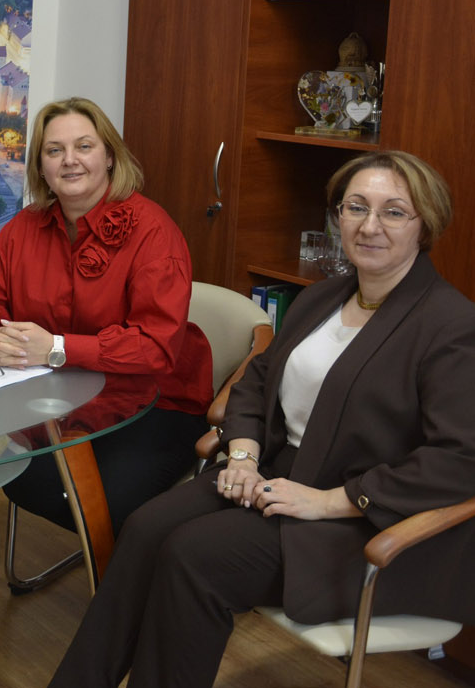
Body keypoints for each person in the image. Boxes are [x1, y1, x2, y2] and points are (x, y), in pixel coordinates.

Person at [48, 150, 475, 688]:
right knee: (145, 527)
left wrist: (330, 502)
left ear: (424, 225)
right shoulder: (322, 297)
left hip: (361, 520)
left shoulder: (451, 325)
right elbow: (255, 381)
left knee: (193, 556)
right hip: (274, 473)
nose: (369, 226)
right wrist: (243, 456)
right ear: (337, 216)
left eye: (393, 212)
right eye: (355, 207)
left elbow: (461, 461)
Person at [0, 96, 213, 538]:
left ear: (109, 156)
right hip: (60, 398)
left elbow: (154, 346)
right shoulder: (24, 228)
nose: (69, 160)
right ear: (42, 166)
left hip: (154, 401)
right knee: (19, 476)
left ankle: (126, 566)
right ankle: (111, 554)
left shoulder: (153, 231)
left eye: (84, 146)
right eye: (54, 150)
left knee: (107, 502)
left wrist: (55, 347)